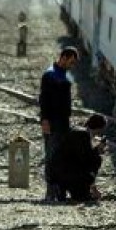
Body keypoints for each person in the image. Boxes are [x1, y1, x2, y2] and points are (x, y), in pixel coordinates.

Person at [39, 46, 79, 201]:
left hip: (63, 122)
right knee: (51, 155)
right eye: (71, 62)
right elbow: (44, 100)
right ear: (63, 57)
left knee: (60, 155)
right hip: (53, 122)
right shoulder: (50, 75)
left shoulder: (63, 74)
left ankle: (59, 190)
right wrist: (45, 120)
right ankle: (51, 190)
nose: (72, 65)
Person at [49, 114, 107, 202]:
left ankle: (69, 191)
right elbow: (85, 161)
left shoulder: (78, 131)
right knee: (97, 160)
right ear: (98, 128)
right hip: (65, 173)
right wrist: (97, 151)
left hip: (58, 170)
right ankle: (77, 192)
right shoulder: (83, 135)